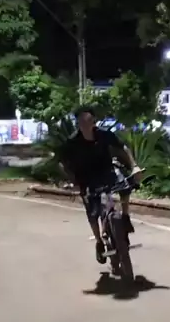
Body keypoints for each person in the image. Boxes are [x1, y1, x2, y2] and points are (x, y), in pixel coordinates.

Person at [59, 106, 142, 263]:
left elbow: (122, 147)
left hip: (107, 172)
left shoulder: (104, 135)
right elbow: (62, 163)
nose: (85, 124)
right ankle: (99, 241)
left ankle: (125, 218)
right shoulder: (72, 142)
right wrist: (72, 180)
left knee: (125, 186)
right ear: (78, 123)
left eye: (88, 120)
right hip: (86, 178)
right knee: (92, 211)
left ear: (94, 121)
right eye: (82, 121)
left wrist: (134, 166)